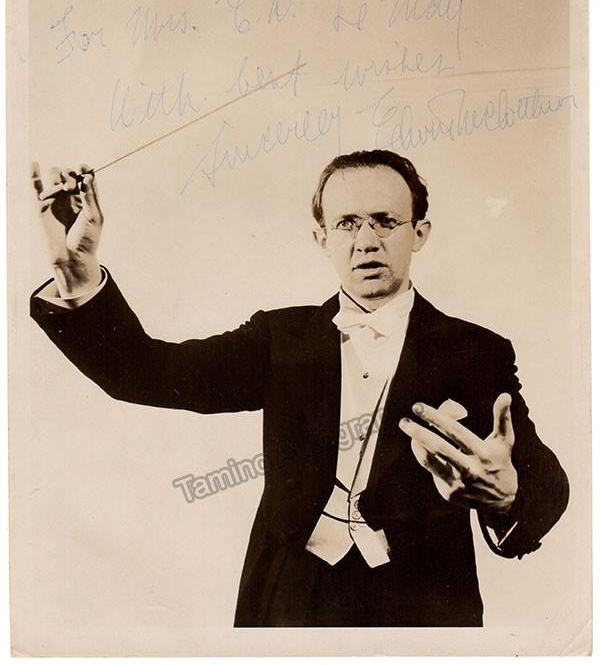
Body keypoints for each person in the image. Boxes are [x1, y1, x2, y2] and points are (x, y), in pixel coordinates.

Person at [30, 150, 569, 627]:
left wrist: (509, 494)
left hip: (424, 607)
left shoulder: (476, 351)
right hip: (288, 604)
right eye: (347, 223)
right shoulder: (278, 338)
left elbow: (545, 480)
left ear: (420, 233)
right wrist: (78, 276)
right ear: (322, 238)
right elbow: (146, 372)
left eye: (386, 221)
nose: (366, 241)